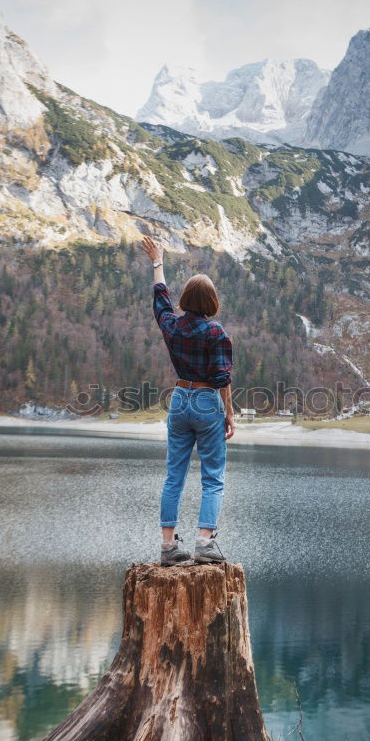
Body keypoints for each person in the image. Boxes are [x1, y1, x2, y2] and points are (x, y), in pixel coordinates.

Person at [140, 235, 235, 566]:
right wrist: (229, 416)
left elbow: (160, 298)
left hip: (180, 398)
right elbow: (223, 380)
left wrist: (158, 261)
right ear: (211, 301)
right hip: (207, 400)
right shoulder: (217, 334)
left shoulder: (172, 326)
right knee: (213, 477)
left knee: (174, 475)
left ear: (186, 299)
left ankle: (168, 547)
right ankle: (204, 543)